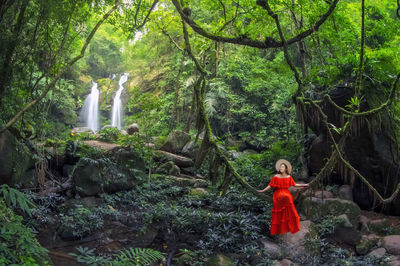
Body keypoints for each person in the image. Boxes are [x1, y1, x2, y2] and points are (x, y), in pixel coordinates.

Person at [257, 159, 309, 235]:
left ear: (286, 169)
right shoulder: (275, 177)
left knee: (288, 198)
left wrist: (304, 185)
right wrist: (262, 190)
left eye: (282, 167)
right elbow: (270, 185)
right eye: (280, 167)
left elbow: (294, 184)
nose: (281, 168)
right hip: (278, 193)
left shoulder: (288, 177)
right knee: (284, 197)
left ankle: (290, 222)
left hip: (286, 192)